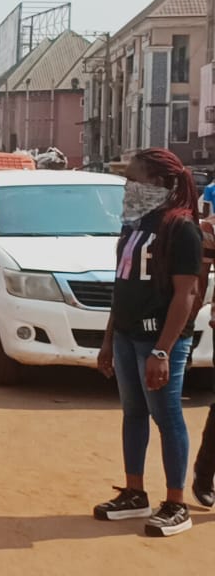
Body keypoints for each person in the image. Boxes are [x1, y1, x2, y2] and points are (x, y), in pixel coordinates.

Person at [95, 149, 200, 537]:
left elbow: (185, 295)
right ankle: (134, 493)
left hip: (158, 342)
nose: (127, 186)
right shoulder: (134, 225)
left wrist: (163, 350)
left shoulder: (181, 228)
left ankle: (176, 504)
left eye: (133, 178)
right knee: (133, 413)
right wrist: (109, 340)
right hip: (126, 335)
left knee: (167, 416)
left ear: (156, 183)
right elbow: (122, 287)